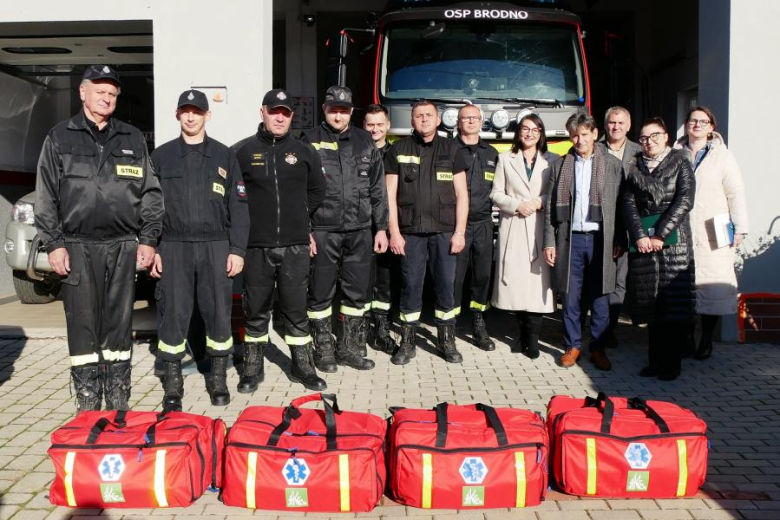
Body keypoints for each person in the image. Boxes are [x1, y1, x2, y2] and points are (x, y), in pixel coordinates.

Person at [35, 65, 164, 411]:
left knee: (119, 321)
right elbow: (46, 196)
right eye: (100, 91)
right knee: (82, 321)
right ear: (82, 92)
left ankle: (118, 395)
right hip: (76, 246)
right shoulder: (60, 137)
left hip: (123, 245)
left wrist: (149, 239)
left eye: (112, 93)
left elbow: (150, 193)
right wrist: (54, 243)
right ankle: (88, 400)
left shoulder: (132, 138)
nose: (107, 98)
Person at [150, 89, 249, 411]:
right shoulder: (161, 157)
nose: (191, 116)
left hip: (215, 245)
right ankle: (173, 384)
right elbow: (149, 207)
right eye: (185, 111)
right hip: (174, 246)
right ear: (177, 115)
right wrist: (152, 248)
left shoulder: (224, 155)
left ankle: (218, 380)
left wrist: (237, 249)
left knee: (218, 313)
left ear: (208, 115)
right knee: (174, 317)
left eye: (197, 111)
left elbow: (238, 205)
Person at [233, 89, 328, 391]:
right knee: (256, 309)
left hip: (295, 245)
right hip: (256, 246)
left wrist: (299, 215)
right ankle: (252, 368)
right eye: (274, 111)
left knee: (296, 309)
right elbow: (234, 198)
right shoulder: (242, 151)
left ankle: (303, 366)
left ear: (291, 116)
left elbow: (317, 190)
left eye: (285, 113)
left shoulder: (304, 151)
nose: (279, 117)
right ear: (262, 112)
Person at [302, 87, 388, 372]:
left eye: (343, 110)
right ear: (324, 109)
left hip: (360, 229)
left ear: (352, 111)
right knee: (320, 291)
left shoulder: (366, 141)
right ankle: (323, 349)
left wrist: (381, 228)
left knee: (356, 292)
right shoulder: (309, 140)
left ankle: (350, 348)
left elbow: (378, 189)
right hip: (323, 230)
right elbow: (299, 191)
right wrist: (306, 230)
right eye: (333, 109)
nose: (338, 115)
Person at [384, 100, 469, 365]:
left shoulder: (453, 149)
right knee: (410, 286)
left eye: (428, 115)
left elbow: (462, 194)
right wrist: (394, 233)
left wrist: (460, 232)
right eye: (418, 116)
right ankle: (407, 341)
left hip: (445, 232)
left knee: (446, 286)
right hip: (410, 233)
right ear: (412, 121)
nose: (424, 120)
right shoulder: (398, 150)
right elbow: (389, 195)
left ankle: (446, 340)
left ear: (438, 120)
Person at [543, 113, 625, 371]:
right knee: (570, 296)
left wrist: (620, 238)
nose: (580, 140)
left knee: (601, 295)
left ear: (595, 134)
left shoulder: (612, 164)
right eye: (575, 135)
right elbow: (548, 208)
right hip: (571, 238)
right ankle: (572, 346)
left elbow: (622, 206)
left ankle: (598, 348)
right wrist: (549, 241)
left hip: (602, 238)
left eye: (585, 134)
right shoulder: (560, 165)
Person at [623, 117, 696, 381]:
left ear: (665, 137)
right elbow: (628, 204)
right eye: (644, 138)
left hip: (673, 242)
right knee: (650, 305)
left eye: (654, 136)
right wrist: (640, 235)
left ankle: (672, 364)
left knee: (673, 305)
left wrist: (661, 233)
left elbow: (685, 199)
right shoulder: (634, 166)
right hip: (644, 243)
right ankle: (654, 362)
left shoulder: (680, 162)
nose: (649, 142)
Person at [674, 106, 749, 360]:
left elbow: (735, 193)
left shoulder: (723, 156)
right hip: (681, 228)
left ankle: (706, 340)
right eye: (693, 120)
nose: (697, 125)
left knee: (713, 286)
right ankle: (685, 338)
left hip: (714, 229)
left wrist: (740, 228)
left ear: (711, 127)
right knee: (682, 288)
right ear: (686, 124)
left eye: (703, 121)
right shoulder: (674, 153)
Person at [491, 113, 558, 358]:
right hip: (515, 225)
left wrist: (538, 202)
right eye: (525, 129)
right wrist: (516, 205)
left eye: (535, 129)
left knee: (537, 286)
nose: (529, 133)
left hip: (541, 226)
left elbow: (557, 193)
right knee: (517, 286)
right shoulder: (505, 159)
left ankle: (533, 339)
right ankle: (520, 333)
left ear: (541, 134)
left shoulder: (553, 160)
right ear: (518, 133)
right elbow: (495, 193)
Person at [453, 104, 499, 351]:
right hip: (455, 225)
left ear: (481, 122)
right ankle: (448, 325)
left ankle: (479, 323)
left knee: (482, 276)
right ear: (458, 122)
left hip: (483, 223)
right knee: (454, 277)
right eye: (465, 118)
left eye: (474, 118)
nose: (470, 121)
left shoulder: (492, 153)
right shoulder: (448, 150)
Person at [600, 106, 643, 347]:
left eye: (620, 123)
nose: (615, 127)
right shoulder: (594, 149)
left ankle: (612, 327)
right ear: (606, 125)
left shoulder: (639, 151)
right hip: (601, 224)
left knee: (622, 280)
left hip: (630, 225)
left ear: (628, 125)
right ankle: (602, 327)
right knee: (603, 280)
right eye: (612, 122)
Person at [363, 103, 398, 354]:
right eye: (370, 125)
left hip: (387, 226)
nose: (375, 129)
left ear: (388, 125)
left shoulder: (395, 153)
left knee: (384, 281)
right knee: (361, 281)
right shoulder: (355, 150)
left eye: (379, 124)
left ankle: (382, 329)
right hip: (361, 225)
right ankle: (361, 330)